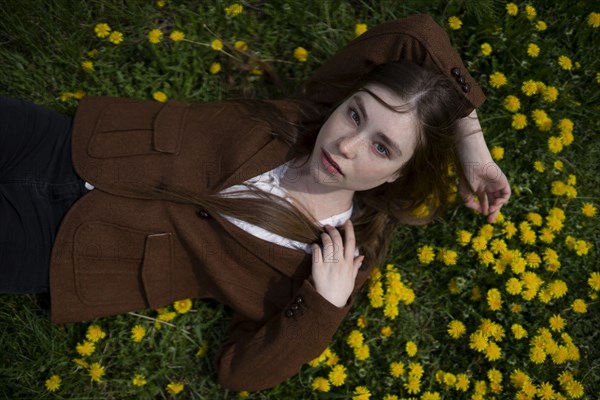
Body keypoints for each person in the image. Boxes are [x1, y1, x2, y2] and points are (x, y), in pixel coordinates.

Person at [0, 14, 510, 391]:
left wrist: (322, 309)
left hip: (65, 249)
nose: (346, 145)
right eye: (356, 114)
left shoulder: (326, 262)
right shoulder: (302, 113)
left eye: (382, 147)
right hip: (69, 143)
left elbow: (239, 373)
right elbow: (419, 33)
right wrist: (468, 139)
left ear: (398, 173)